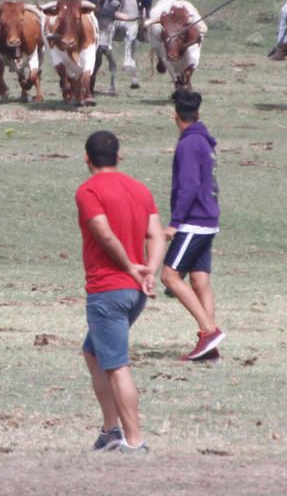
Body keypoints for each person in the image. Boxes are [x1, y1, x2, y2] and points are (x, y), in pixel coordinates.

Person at [76, 130, 164, 455]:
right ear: (118, 157)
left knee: (115, 364)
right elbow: (156, 235)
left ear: (87, 159)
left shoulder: (88, 190)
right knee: (93, 353)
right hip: (134, 291)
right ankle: (110, 430)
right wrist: (149, 270)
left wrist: (128, 266)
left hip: (108, 289)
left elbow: (103, 233)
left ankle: (135, 440)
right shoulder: (140, 189)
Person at [160, 90, 225, 362]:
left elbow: (189, 186)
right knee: (200, 282)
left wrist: (175, 223)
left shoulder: (188, 144)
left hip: (193, 221)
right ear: (197, 114)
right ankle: (211, 348)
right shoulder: (204, 141)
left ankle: (209, 332)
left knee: (169, 277)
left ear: (176, 116)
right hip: (209, 219)